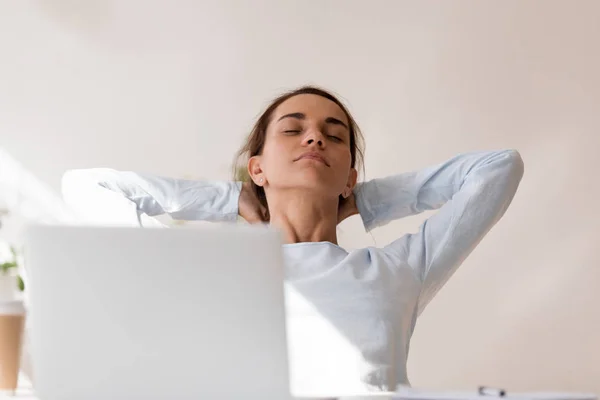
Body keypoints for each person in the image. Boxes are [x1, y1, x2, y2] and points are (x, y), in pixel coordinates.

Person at [61, 86, 524, 394]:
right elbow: (86, 187)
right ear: (258, 168)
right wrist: (228, 198)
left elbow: (498, 167)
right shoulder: (208, 271)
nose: (315, 139)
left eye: (333, 135)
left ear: (350, 176)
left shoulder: (398, 271)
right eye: (293, 129)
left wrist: (367, 200)